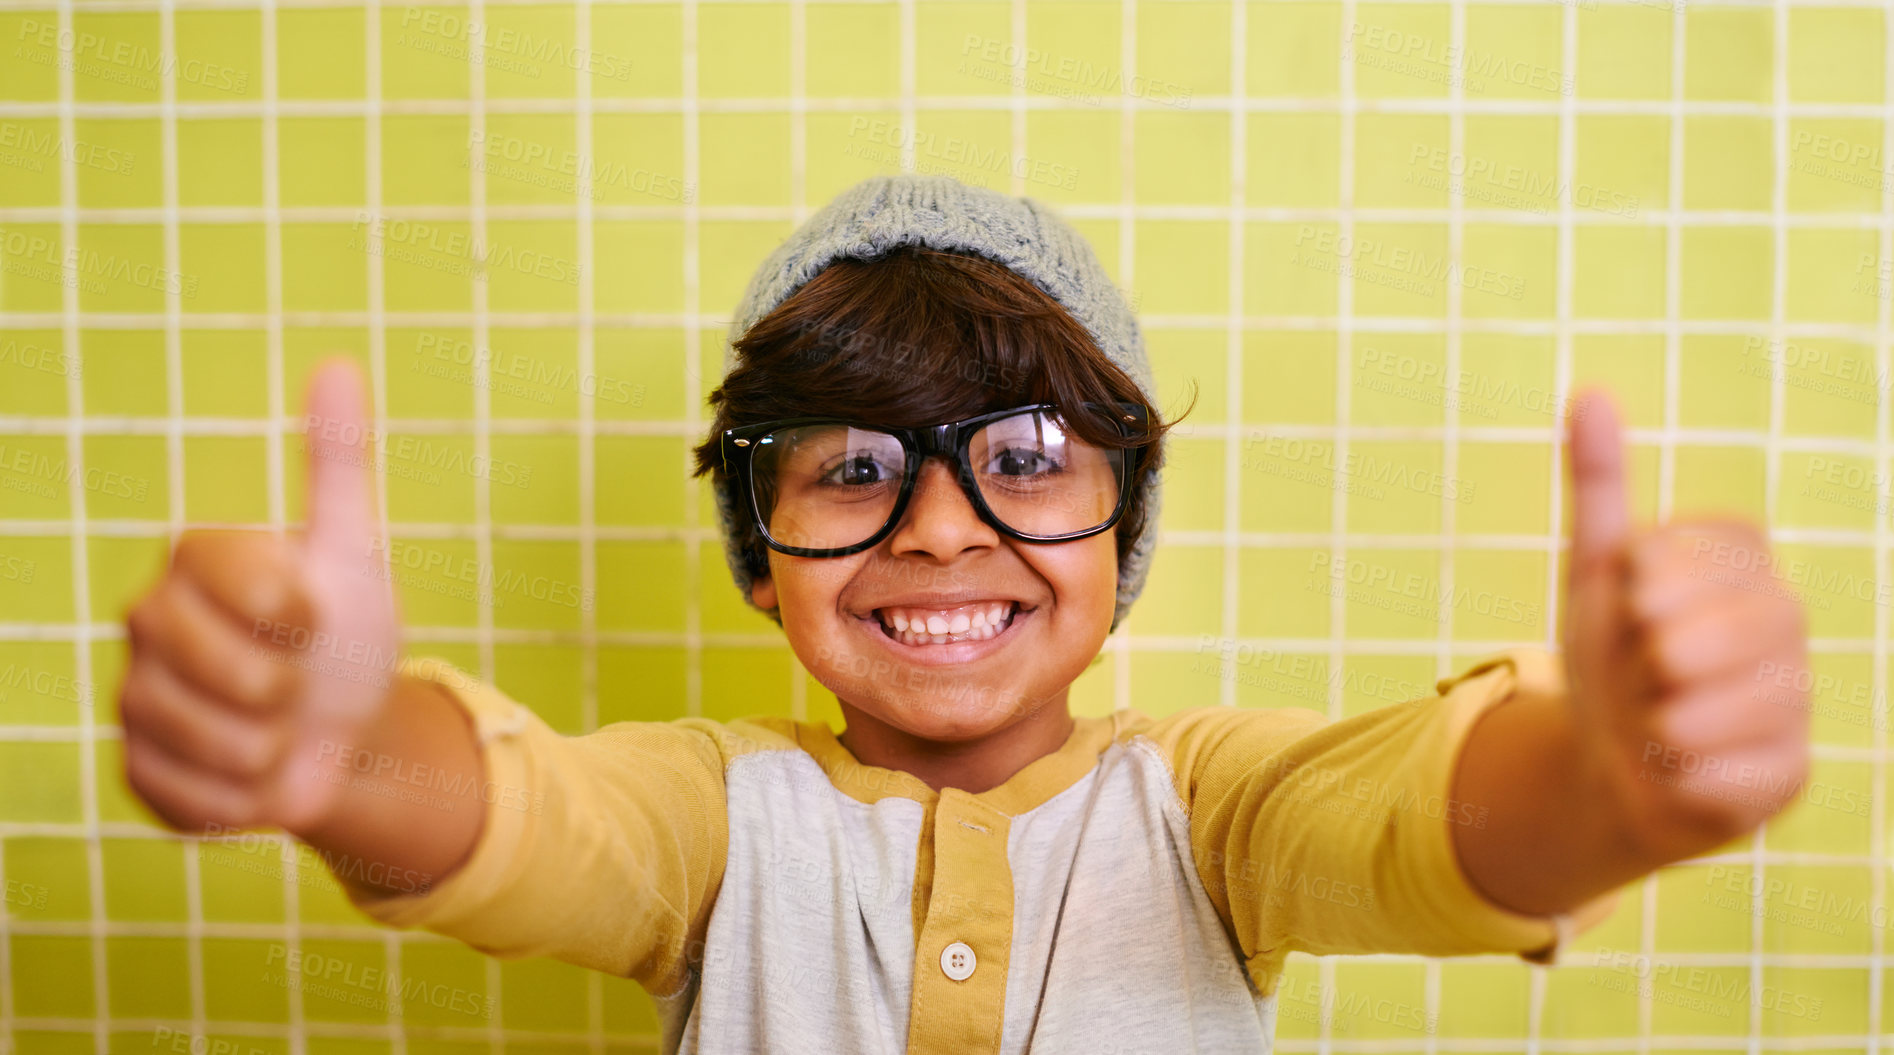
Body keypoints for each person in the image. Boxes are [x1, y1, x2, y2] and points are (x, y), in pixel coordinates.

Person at [118, 174, 1811, 1054]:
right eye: (852, 466)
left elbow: (1414, 822)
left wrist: (1611, 776)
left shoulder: (1207, 815)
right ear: (758, 546)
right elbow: (524, 824)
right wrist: (337, 756)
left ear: (1121, 524)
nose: (939, 529)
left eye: (1021, 455)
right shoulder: (719, 825)